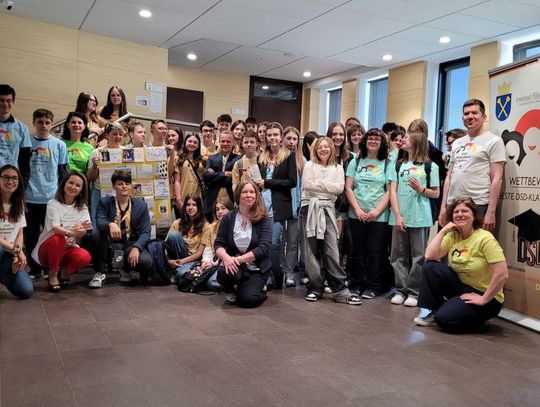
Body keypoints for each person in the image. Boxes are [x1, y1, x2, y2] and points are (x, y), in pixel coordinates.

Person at [415, 198, 508, 333]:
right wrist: (443, 231)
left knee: (444, 319)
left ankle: (479, 323)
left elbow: (502, 274)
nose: (460, 214)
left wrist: (483, 299)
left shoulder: (485, 238)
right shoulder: (453, 236)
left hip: (488, 297)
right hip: (463, 288)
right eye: (456, 212)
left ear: (474, 215)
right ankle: (434, 311)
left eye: (465, 211)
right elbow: (429, 255)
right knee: (430, 266)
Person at [300, 136, 361, 305]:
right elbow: (307, 185)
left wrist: (319, 184)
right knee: (310, 251)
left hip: (328, 209)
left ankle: (340, 290)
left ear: (332, 149)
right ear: (315, 149)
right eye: (320, 147)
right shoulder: (309, 165)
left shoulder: (338, 168)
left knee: (332, 250)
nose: (323, 149)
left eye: (326, 146)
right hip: (309, 208)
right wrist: (328, 186)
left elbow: (339, 188)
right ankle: (315, 288)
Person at [388, 131, 439, 306]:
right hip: (399, 215)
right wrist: (397, 215)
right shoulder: (398, 164)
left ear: (417, 142)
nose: (403, 140)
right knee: (397, 255)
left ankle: (414, 292)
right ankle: (400, 290)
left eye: (407, 138)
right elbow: (392, 191)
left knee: (418, 256)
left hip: (420, 216)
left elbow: (436, 193)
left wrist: (421, 189)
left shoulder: (430, 166)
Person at [439, 99, 506, 231]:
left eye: (474, 113)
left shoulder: (494, 141)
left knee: (475, 244)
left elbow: (497, 178)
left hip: (478, 204)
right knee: (452, 243)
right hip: (453, 205)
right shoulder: (457, 143)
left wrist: (491, 211)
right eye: (466, 113)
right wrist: (443, 206)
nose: (470, 117)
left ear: (484, 117)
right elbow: (449, 176)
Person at [345, 128, 390, 299]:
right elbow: (348, 187)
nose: (373, 141)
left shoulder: (387, 163)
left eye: (377, 139)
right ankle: (357, 283)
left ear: (382, 143)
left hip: (379, 215)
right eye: (370, 138)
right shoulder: (355, 162)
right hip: (356, 213)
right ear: (364, 141)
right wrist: (357, 209)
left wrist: (377, 211)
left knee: (375, 252)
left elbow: (389, 191)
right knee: (358, 251)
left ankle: (373, 286)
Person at [25, 109, 68, 279]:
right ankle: (34, 268)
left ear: (51, 124)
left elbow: (63, 173)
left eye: (47, 122)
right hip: (29, 197)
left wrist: (62, 198)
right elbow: (21, 170)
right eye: (40, 122)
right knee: (31, 235)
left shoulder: (60, 145)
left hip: (51, 198)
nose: (43, 125)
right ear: (34, 123)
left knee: (51, 235)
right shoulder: (26, 142)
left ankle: (49, 267)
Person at [31, 172, 93, 291]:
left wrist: (81, 232)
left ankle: (65, 272)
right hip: (47, 250)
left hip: (68, 248)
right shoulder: (53, 203)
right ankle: (53, 273)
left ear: (82, 189)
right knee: (58, 238)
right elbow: (56, 228)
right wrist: (73, 233)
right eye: (71, 183)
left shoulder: (83, 207)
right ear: (64, 183)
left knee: (85, 256)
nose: (73, 187)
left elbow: (83, 231)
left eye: (78, 185)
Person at [215, 180, 272, 308]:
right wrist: (226, 258)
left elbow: (264, 248)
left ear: (256, 195)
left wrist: (239, 259)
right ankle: (231, 290)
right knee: (223, 273)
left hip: (256, 268)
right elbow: (218, 244)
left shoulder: (264, 218)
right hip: (235, 264)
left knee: (247, 300)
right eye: (245, 192)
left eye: (252, 192)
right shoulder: (228, 218)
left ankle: (260, 288)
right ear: (238, 195)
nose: (248, 195)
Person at [90, 170, 152, 287]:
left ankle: (126, 269)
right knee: (96, 233)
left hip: (129, 242)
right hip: (108, 242)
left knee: (145, 262)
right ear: (113, 186)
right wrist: (110, 224)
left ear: (131, 185)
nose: (124, 186)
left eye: (127, 183)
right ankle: (100, 272)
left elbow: (146, 231)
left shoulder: (141, 205)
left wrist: (137, 247)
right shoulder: (104, 202)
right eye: (120, 183)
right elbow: (100, 221)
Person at [256, 122, 296, 288]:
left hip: (278, 207)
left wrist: (267, 182)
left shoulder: (288, 156)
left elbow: (291, 182)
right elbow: (258, 180)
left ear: (281, 137)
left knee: (273, 244)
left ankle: (276, 277)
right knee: (261, 244)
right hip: (261, 206)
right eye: (269, 135)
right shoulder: (261, 157)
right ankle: (264, 277)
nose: (272, 138)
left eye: (275, 135)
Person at [0, 165, 33, 299]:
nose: (10, 181)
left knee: (26, 290)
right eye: (6, 177)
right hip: (4, 249)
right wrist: (17, 250)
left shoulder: (18, 203)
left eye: (14, 178)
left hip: (8, 253)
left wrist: (16, 255)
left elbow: (19, 231)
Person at [87, 123, 126, 226]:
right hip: (99, 192)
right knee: (98, 223)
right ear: (107, 135)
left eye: (120, 134)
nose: (118, 137)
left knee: (119, 223)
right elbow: (90, 177)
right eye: (114, 134)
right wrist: (95, 166)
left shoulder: (127, 152)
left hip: (120, 193)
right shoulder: (96, 152)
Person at [165, 194, 209, 281]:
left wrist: (181, 262)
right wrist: (168, 261)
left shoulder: (206, 226)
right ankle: (172, 268)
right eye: (188, 205)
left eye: (194, 205)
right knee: (174, 235)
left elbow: (199, 254)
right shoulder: (177, 223)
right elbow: (165, 246)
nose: (190, 207)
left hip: (192, 259)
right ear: (184, 207)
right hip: (175, 257)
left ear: (199, 207)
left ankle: (174, 271)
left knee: (181, 274)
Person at [281, 126, 305, 287]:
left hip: (296, 206)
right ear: (283, 139)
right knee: (278, 241)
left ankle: (289, 271)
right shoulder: (278, 158)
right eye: (288, 138)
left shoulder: (303, 161)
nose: (291, 142)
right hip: (279, 205)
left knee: (293, 241)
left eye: (294, 139)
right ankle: (278, 269)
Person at [202, 131, 239, 221]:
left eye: (228, 141)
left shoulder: (238, 159)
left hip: (231, 200)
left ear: (233, 142)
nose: (225, 143)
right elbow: (206, 175)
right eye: (223, 141)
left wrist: (215, 175)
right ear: (219, 142)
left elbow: (236, 178)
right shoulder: (212, 158)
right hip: (211, 202)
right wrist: (225, 174)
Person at [0, 84, 31, 187]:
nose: (5, 104)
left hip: (10, 182)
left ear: (13, 102)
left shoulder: (22, 128)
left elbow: (24, 162)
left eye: (8, 101)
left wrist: (23, 185)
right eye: (1, 100)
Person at [200, 198, 234, 290]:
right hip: (215, 263)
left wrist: (213, 263)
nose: (220, 212)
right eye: (217, 209)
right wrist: (206, 261)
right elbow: (208, 248)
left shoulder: (236, 225)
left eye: (223, 208)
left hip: (232, 262)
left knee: (212, 282)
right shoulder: (212, 227)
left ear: (230, 210)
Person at [173, 134, 206, 212]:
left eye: (195, 142)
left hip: (197, 198)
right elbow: (177, 180)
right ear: (185, 143)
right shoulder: (178, 159)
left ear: (198, 145)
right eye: (189, 141)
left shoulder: (202, 161)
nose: (192, 144)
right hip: (183, 196)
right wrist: (178, 199)